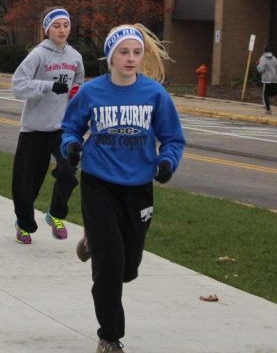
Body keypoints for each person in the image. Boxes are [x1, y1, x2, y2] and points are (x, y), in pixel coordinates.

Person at [61, 24, 185, 353]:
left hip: (138, 188)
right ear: (110, 56)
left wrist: (167, 162)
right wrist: (72, 147)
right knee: (110, 265)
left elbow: (173, 138)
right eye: (124, 52)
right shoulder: (91, 92)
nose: (131, 59)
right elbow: (70, 128)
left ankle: (91, 240)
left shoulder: (155, 95)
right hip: (98, 184)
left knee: (128, 269)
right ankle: (110, 336)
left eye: (136, 52)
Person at [11, 7, 85, 244]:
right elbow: (18, 86)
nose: (62, 30)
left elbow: (79, 83)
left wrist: (76, 93)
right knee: (26, 184)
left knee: (68, 172)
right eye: (56, 26)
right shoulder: (38, 55)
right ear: (47, 29)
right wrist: (47, 86)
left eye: (66, 25)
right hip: (34, 129)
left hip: (62, 129)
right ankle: (23, 224)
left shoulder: (75, 57)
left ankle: (55, 214)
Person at [256, 44, 277, 115]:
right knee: (270, 92)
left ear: (264, 51)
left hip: (266, 79)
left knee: (265, 94)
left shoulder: (263, 58)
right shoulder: (274, 58)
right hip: (274, 78)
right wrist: (276, 74)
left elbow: (261, 69)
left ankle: (268, 110)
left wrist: (257, 65)